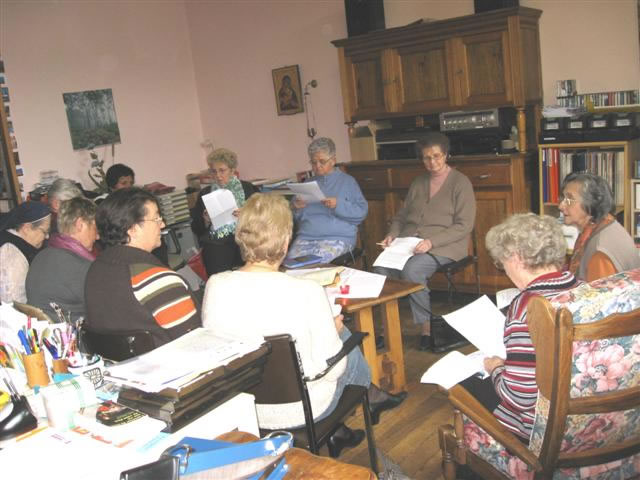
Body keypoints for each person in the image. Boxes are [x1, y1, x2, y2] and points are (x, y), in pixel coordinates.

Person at [202, 193, 405, 455]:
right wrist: (335, 332)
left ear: (240, 236)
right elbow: (334, 369)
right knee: (346, 342)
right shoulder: (307, 291)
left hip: (244, 407)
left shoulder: (215, 285)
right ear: (286, 240)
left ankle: (341, 430)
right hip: (302, 408)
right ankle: (370, 400)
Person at [461, 213, 580, 444]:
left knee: (464, 382)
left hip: (543, 430)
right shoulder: (582, 287)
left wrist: (496, 367)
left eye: (501, 261)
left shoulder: (527, 307)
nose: (504, 269)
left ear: (515, 257)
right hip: (587, 418)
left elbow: (518, 397)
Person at [374, 132, 476, 351]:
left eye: (437, 156)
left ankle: (426, 328)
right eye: (427, 158)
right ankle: (387, 328)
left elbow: (464, 225)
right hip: (409, 242)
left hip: (446, 245)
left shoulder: (461, 183)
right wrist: (392, 235)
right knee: (380, 268)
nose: (432, 162)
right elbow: (401, 216)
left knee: (413, 270)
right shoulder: (418, 182)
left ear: (446, 155)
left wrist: (431, 242)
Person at [85, 188, 200, 347]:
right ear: (133, 229)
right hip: (165, 360)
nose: (163, 224)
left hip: (120, 361)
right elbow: (195, 342)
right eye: (156, 218)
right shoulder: (157, 280)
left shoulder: (95, 270)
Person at [286, 137, 368, 263]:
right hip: (305, 238)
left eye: (322, 161)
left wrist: (338, 205)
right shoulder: (307, 184)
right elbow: (295, 218)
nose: (317, 166)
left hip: (336, 238)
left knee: (316, 267)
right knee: (288, 267)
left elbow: (361, 213)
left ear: (333, 160)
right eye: (314, 162)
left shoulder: (348, 182)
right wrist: (295, 207)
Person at [26, 197, 98, 323]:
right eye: (95, 228)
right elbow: (107, 309)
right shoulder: (81, 267)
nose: (97, 236)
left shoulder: (41, 256)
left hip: (39, 330)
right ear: (80, 224)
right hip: (69, 333)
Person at [559, 172, 640, 281]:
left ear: (591, 203)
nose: (561, 206)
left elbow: (598, 291)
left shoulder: (599, 251)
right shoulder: (605, 225)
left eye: (569, 199)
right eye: (563, 198)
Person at [190, 147, 258, 276]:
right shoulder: (205, 194)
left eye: (222, 170)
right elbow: (196, 228)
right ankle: (219, 283)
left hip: (246, 237)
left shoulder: (249, 189)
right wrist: (205, 220)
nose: (218, 176)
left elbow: (263, 217)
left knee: (250, 247)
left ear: (232, 170)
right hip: (218, 243)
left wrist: (247, 215)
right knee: (214, 250)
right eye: (214, 171)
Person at [0, 201, 51, 303]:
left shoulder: (11, 238)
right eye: (45, 232)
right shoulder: (13, 256)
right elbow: (13, 303)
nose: (47, 237)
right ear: (27, 228)